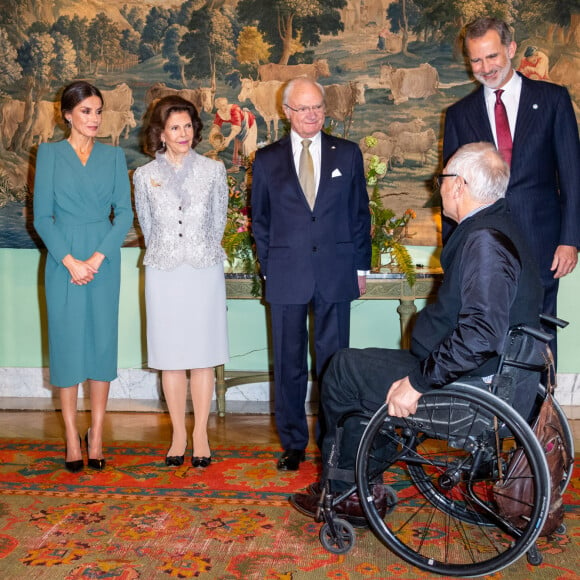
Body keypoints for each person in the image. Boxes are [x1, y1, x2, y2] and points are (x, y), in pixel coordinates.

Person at [290, 142, 544, 525]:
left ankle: (345, 492)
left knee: (343, 370)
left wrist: (418, 381)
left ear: (458, 185)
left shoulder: (486, 242)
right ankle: (357, 483)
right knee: (355, 365)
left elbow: (480, 334)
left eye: (441, 179)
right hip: (482, 375)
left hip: (472, 391)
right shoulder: (500, 225)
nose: (437, 187)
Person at [251, 77, 371, 471]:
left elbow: (359, 214)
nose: (312, 115)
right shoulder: (267, 160)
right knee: (288, 363)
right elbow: (261, 222)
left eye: (317, 106)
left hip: (336, 272)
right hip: (286, 274)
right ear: (286, 112)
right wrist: (269, 269)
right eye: (303, 108)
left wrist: (361, 266)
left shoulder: (348, 154)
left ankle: (334, 441)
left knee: (335, 364)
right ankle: (293, 442)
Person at [443, 17, 580, 356]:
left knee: (540, 332)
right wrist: (454, 250)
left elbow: (573, 175)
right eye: (476, 60)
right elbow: (452, 189)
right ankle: (495, 409)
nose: (484, 67)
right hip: (485, 246)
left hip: (543, 241)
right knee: (489, 329)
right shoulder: (460, 114)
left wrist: (570, 240)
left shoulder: (553, 99)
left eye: (491, 57)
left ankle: (540, 407)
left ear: (511, 49)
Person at [33, 80, 133, 472]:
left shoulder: (113, 157)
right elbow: (42, 217)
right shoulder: (48, 154)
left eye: (98, 110)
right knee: (68, 345)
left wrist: (95, 258)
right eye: (86, 111)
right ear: (68, 115)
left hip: (103, 259)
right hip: (63, 261)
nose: (94, 118)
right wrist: (71, 261)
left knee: (101, 344)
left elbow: (123, 214)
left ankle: (97, 433)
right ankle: (72, 436)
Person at [133, 95, 229, 468]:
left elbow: (218, 221)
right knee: (171, 358)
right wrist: (170, 251)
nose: (183, 133)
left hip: (203, 270)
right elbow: (148, 225)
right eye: (175, 127)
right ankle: (177, 434)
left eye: (188, 126)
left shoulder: (213, 171)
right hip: (163, 271)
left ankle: (201, 433)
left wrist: (199, 250)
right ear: (160, 133)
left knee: (203, 357)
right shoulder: (144, 176)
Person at [209, 97, 257, 171]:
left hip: (248, 123)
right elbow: (216, 125)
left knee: (247, 145)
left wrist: (228, 140)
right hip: (238, 126)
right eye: (221, 106)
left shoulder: (234, 109)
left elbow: (236, 128)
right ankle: (236, 167)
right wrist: (213, 135)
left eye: (225, 105)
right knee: (238, 144)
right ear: (217, 106)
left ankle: (252, 167)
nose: (224, 107)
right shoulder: (219, 113)